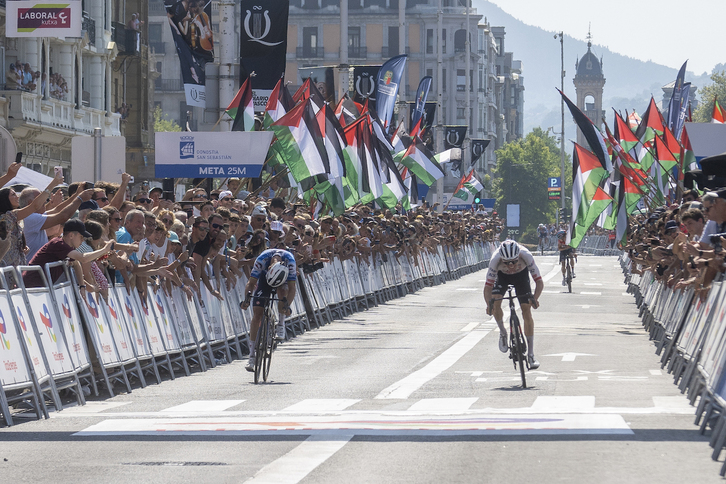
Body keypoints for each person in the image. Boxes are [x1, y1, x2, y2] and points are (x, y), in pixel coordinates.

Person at [483, 239, 543, 369]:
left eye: (514, 262)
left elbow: (539, 282)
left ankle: (531, 354)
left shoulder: (526, 255)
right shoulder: (495, 259)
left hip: (521, 277)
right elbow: (487, 287)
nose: (511, 265)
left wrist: (535, 298)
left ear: (518, 257)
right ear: (501, 259)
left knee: (526, 311)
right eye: (507, 263)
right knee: (495, 302)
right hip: (502, 277)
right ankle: (503, 332)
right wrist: (489, 305)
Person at [240, 248, 297, 372]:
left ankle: (281, 324)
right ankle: (251, 356)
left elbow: (292, 288)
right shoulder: (262, 260)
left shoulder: (290, 261)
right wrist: (247, 300)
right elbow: (251, 283)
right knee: (257, 315)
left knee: (283, 294)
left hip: (283, 279)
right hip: (265, 279)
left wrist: (287, 306)